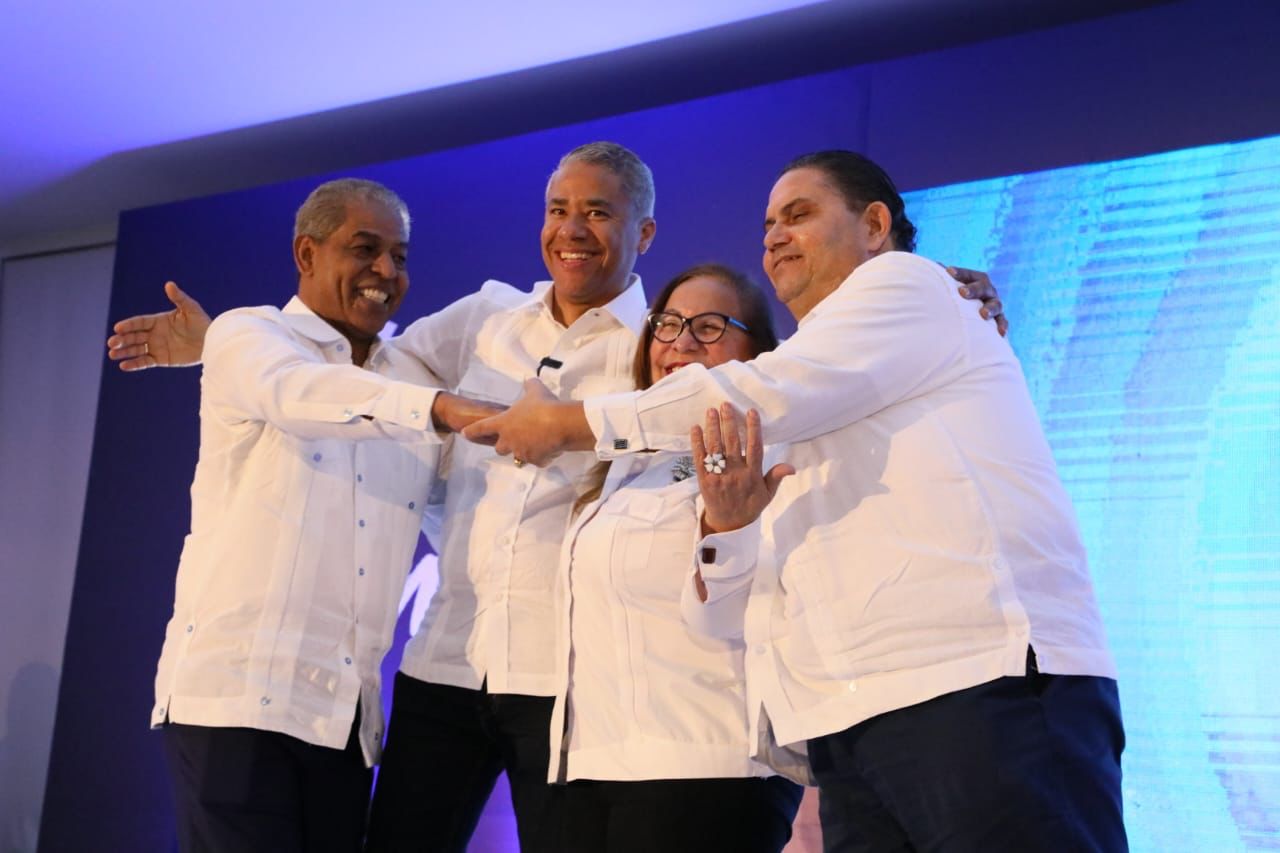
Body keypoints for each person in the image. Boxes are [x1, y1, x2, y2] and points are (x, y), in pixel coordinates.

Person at [107, 143, 1008, 851]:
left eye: (599, 212)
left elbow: (787, 367)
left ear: (643, 234)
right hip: (443, 665)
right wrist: (224, 344)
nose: (572, 229)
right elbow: (356, 370)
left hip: (561, 682)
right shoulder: (481, 321)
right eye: (558, 209)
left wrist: (939, 280)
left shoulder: (662, 351)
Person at [464, 150, 1127, 852]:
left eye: (800, 215)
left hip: (978, 686)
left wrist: (566, 423)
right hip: (855, 717)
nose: (776, 235)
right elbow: (735, 610)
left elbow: (757, 391)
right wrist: (726, 530)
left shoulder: (905, 285)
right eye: (768, 224)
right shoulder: (797, 401)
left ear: (875, 225)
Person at [152, 178, 451, 852]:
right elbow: (293, 391)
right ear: (307, 254)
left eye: (400, 256)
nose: (386, 271)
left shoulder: (412, 378)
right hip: (233, 705)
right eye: (365, 249)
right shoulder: (248, 333)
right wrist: (442, 409)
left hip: (342, 722)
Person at [545, 263, 803, 852]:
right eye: (666, 324)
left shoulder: (773, 453)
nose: (680, 342)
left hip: (706, 770)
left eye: (709, 327)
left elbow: (732, 619)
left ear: (759, 355)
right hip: (593, 769)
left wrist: (729, 528)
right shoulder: (627, 459)